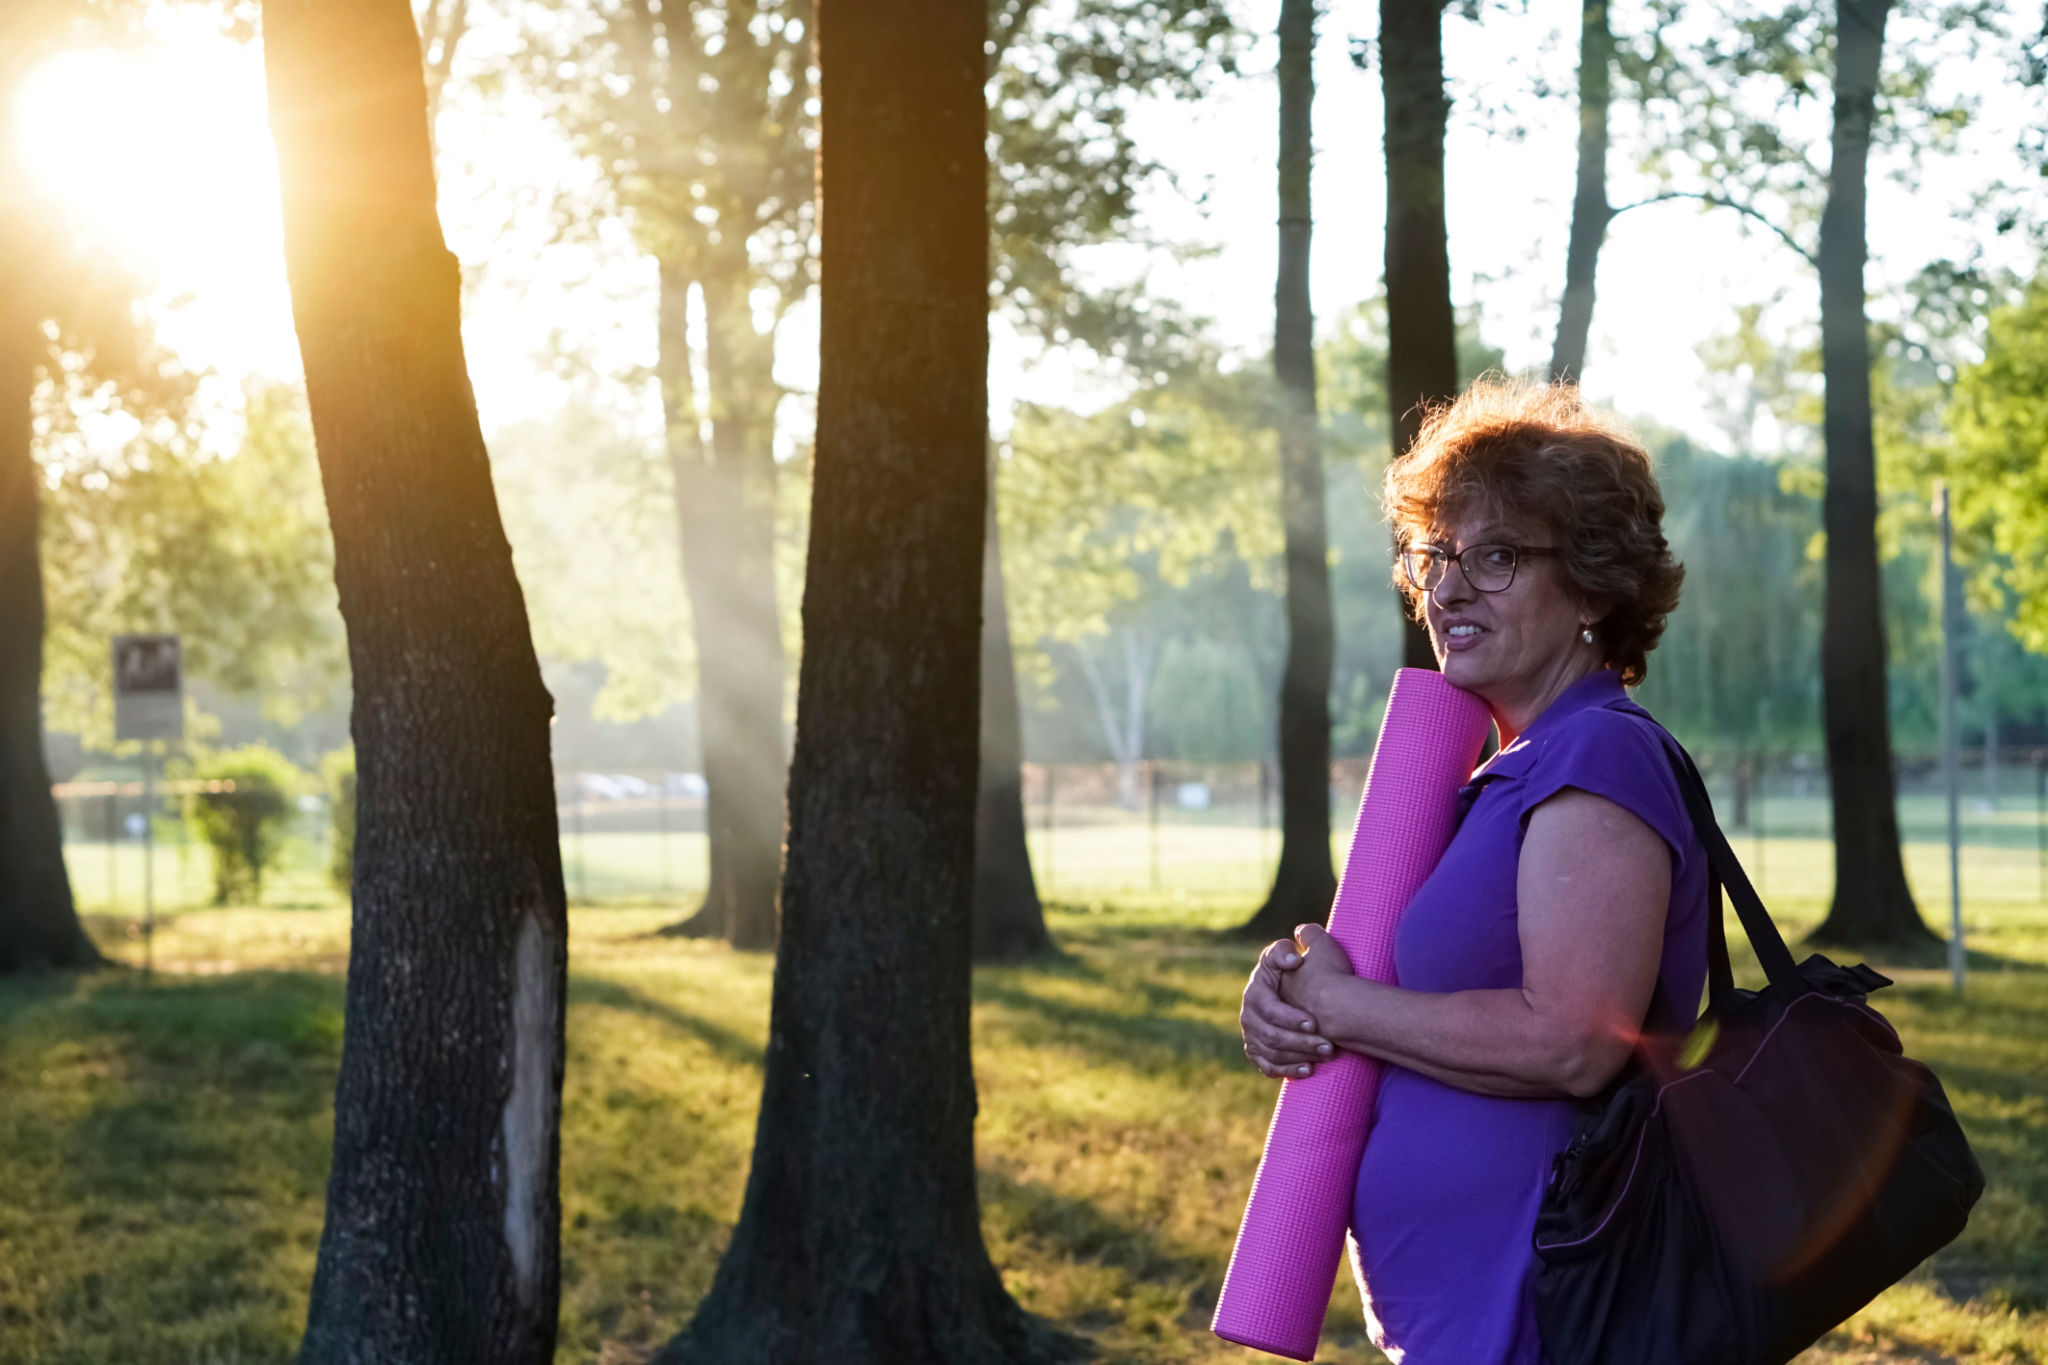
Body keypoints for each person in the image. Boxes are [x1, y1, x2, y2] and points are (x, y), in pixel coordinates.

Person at [1238, 379, 1707, 1364]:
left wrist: (1344, 1007)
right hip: (1465, 1313)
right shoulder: (1505, 769)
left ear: (1589, 583)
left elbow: (1574, 1041)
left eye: (1494, 557)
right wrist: (1290, 995)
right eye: (1435, 555)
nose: (1445, 589)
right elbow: (1421, 991)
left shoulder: (1597, 757)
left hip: (1539, 1306)